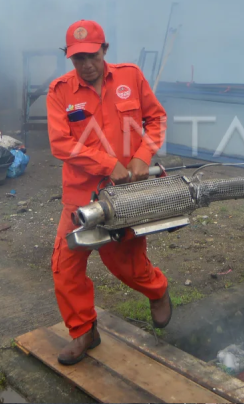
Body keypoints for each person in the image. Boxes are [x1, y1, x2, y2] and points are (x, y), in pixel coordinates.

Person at [46, 19, 171, 365]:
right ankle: (84, 331)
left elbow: (156, 119)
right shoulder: (60, 92)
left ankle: (158, 291)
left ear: (105, 50)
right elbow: (60, 143)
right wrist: (106, 163)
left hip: (125, 196)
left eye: (91, 56)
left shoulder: (130, 77)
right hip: (80, 196)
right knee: (65, 267)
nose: (85, 65)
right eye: (76, 59)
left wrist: (143, 156)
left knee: (127, 266)